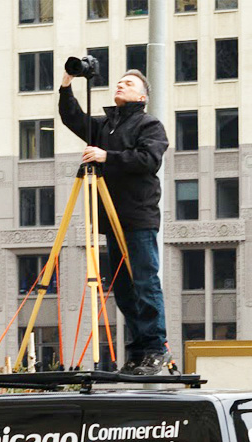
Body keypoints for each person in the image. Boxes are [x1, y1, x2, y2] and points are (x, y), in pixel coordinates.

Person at [59, 68, 170, 375]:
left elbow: (149, 160)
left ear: (142, 96)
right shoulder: (105, 126)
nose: (121, 84)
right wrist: (67, 83)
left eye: (129, 83)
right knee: (123, 290)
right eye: (120, 82)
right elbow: (73, 118)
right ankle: (137, 351)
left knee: (146, 284)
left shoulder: (150, 124)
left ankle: (155, 349)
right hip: (110, 218)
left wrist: (107, 157)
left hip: (138, 217)